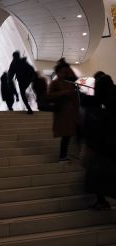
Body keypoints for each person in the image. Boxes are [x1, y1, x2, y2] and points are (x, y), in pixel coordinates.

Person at [82, 74, 116, 210]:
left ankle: (101, 201)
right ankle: (101, 200)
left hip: (109, 144)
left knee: (97, 171)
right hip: (109, 143)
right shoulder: (112, 92)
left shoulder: (107, 97)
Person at [47, 58, 80, 163]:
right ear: (57, 73)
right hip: (62, 113)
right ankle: (62, 157)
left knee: (68, 135)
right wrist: (63, 93)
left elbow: (75, 95)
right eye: (61, 72)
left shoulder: (69, 82)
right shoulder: (55, 83)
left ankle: (64, 156)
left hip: (71, 112)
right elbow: (48, 96)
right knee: (66, 136)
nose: (63, 74)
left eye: (64, 72)